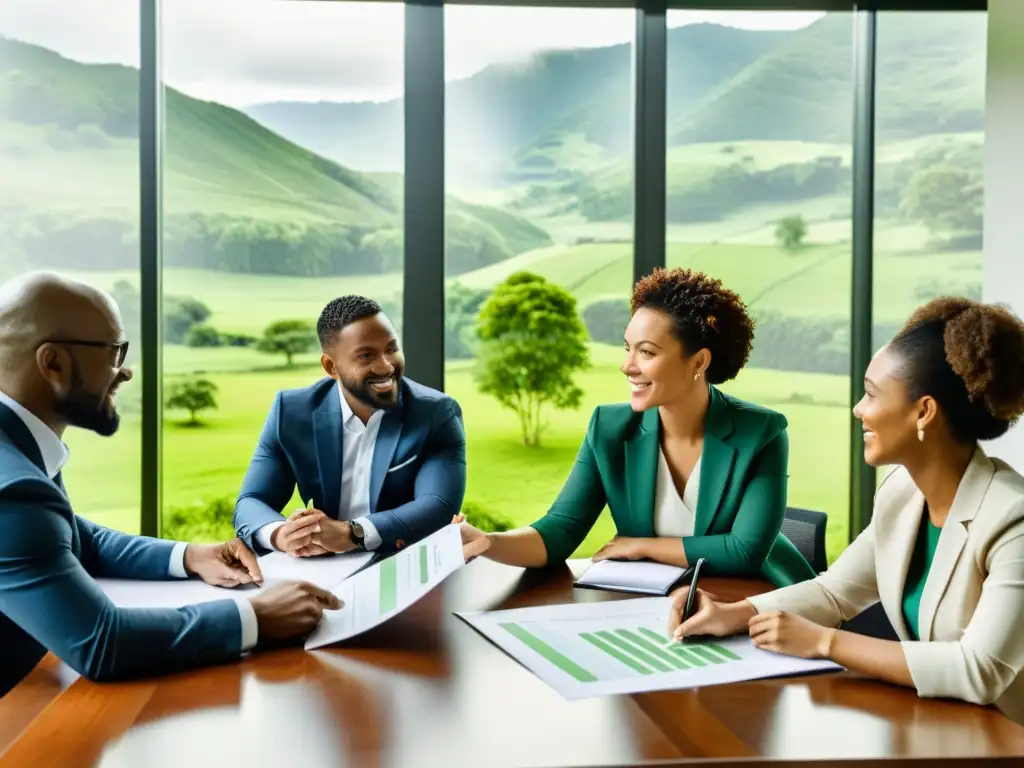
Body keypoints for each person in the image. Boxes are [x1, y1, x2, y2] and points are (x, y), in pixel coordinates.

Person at [667, 297, 1024, 723]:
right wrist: (735, 614)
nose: (858, 409)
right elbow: (835, 591)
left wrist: (824, 643)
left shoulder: (1012, 519)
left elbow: (980, 671)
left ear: (923, 412)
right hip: (935, 724)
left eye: (872, 394)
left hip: (1003, 738)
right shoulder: (901, 493)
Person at [0, 272, 342, 698]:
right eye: (113, 351)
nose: (124, 370)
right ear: (52, 363)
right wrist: (255, 617)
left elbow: (71, 535)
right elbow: (102, 643)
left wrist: (191, 556)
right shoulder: (12, 488)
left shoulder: (16, 444)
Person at [457, 268, 815, 587]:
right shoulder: (609, 427)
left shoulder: (761, 432)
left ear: (699, 361)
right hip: (660, 604)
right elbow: (559, 531)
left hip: (759, 601)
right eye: (627, 348)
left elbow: (743, 552)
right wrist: (488, 541)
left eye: (646, 352)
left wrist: (641, 545)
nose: (627, 366)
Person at [234, 295, 467, 558]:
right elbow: (251, 502)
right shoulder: (291, 411)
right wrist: (283, 535)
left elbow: (437, 504)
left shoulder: (436, 413)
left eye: (391, 349)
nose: (386, 365)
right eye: (366, 355)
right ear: (331, 367)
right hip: (323, 570)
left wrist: (351, 533)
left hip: (406, 561)